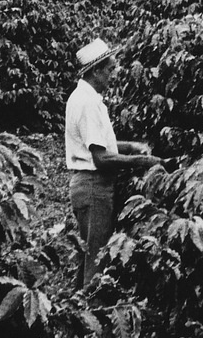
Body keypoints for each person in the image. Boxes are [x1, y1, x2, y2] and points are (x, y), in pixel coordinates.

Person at [65, 38, 161, 287]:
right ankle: (90, 317)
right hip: (94, 186)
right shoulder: (86, 103)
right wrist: (141, 161)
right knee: (97, 261)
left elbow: (99, 144)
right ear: (95, 70)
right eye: (109, 69)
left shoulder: (87, 98)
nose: (113, 75)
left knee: (89, 256)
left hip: (90, 186)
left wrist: (129, 146)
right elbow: (101, 158)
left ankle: (73, 314)